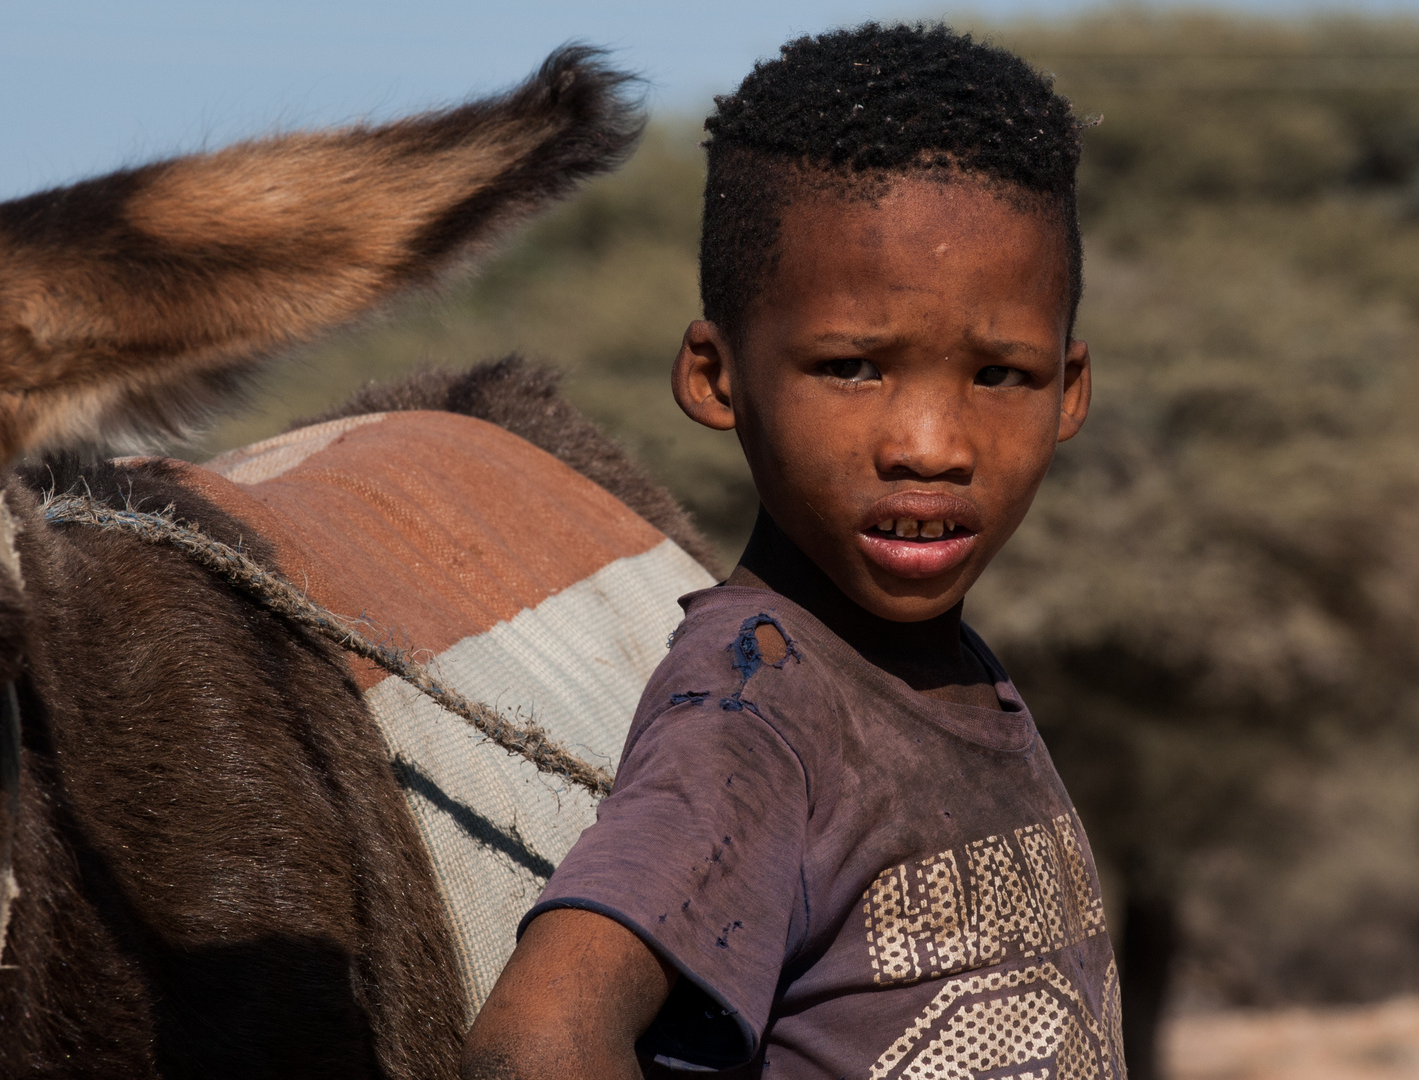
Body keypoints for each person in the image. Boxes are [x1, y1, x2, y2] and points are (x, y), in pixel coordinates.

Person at [461, 22, 1120, 1080]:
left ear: (1070, 392)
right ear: (717, 377)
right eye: (854, 366)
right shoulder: (756, 712)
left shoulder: (942, 673)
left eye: (1001, 376)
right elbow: (537, 1043)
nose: (931, 446)